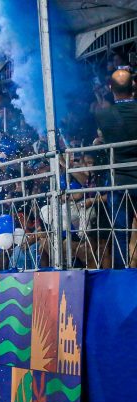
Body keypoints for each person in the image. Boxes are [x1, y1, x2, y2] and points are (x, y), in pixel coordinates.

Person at [94, 68, 137, 267]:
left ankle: (122, 276)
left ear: (110, 88)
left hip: (118, 181)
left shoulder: (104, 115)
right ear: (134, 86)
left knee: (121, 233)